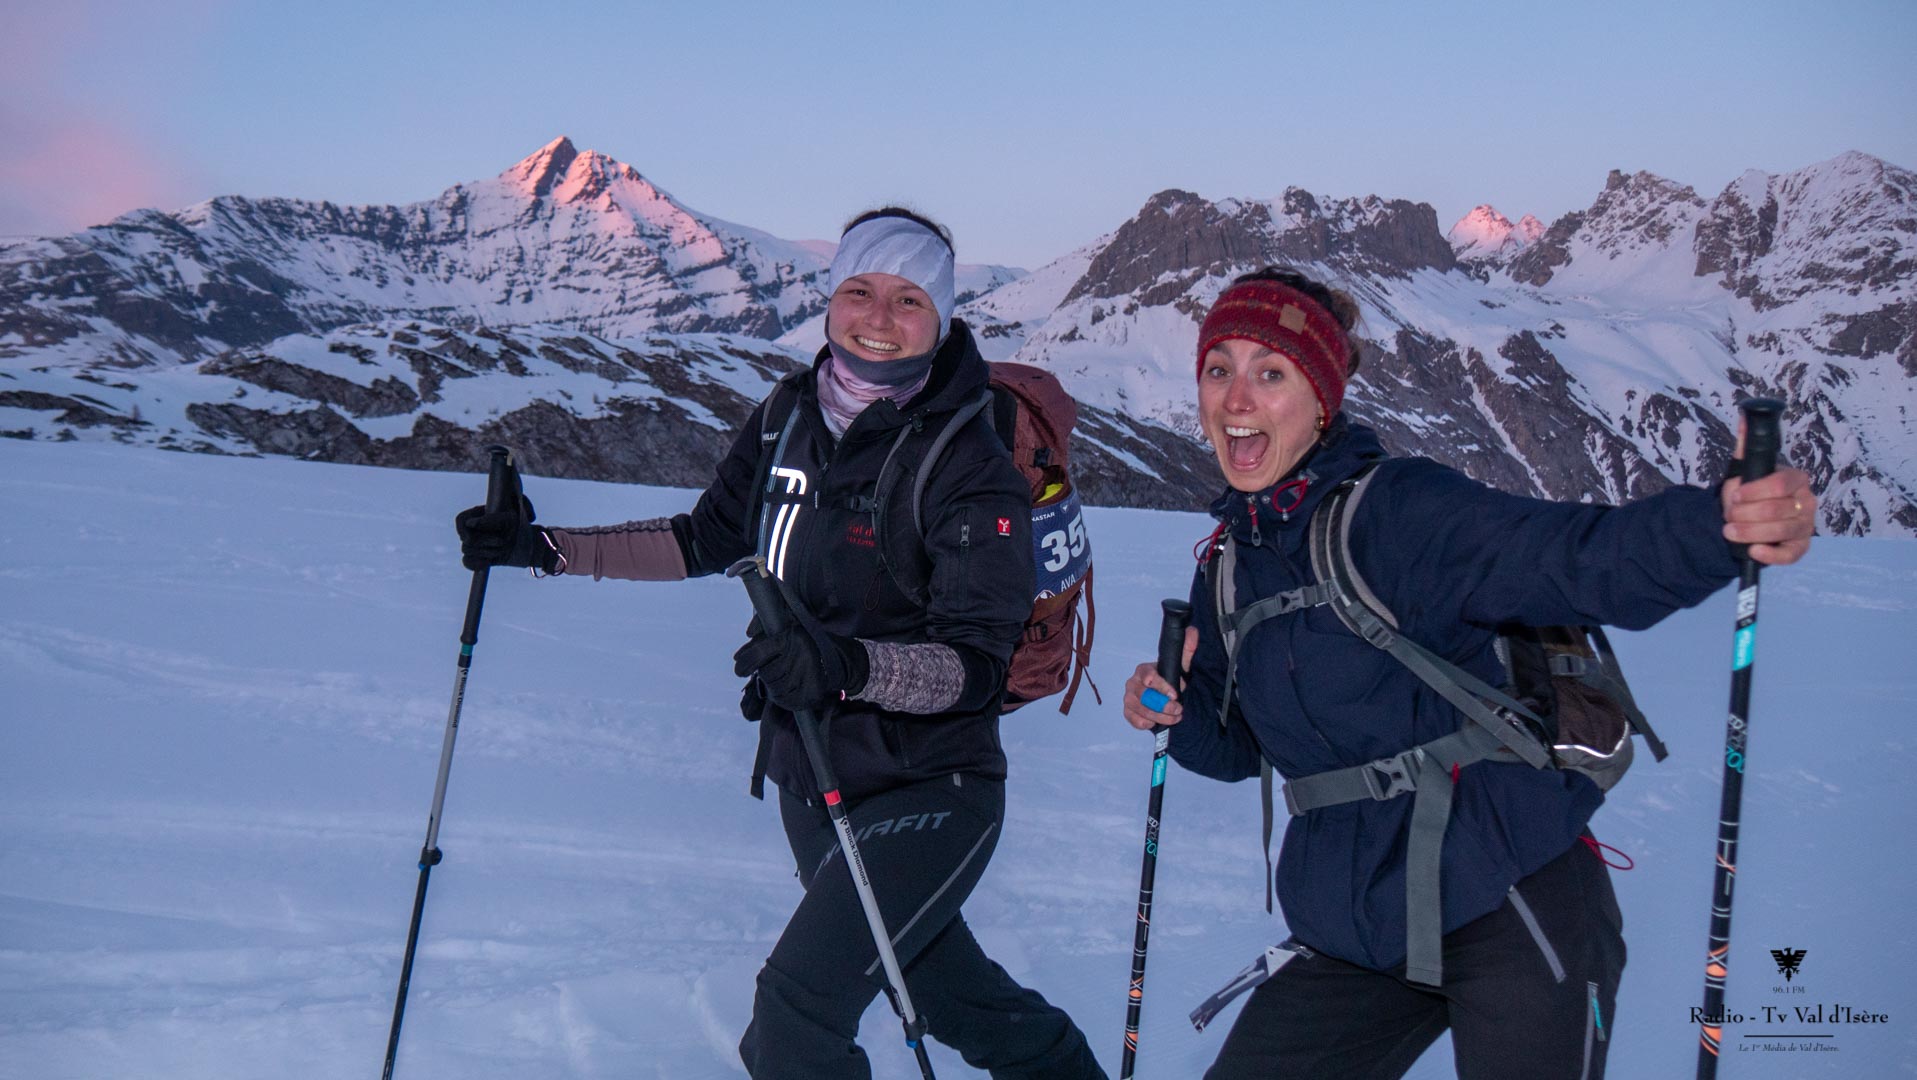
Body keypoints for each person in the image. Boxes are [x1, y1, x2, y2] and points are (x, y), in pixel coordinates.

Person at [1120, 267, 1818, 1080]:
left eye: (1269, 373)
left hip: (1505, 895)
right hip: (1356, 925)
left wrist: (1716, 526)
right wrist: (1178, 713)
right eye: (1218, 370)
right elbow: (1244, 747)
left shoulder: (1397, 510)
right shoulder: (1230, 563)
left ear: (1321, 401)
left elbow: (1569, 558)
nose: (1235, 398)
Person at [458, 207, 1105, 1079]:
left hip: (931, 788)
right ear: (830, 299)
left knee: (794, 1024)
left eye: (908, 299)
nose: (878, 318)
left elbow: (972, 669)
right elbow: (703, 539)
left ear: (942, 317)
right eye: (859, 291)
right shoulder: (787, 415)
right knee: (951, 994)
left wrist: (842, 667)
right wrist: (543, 549)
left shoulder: (968, 462)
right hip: (813, 775)